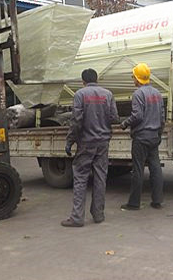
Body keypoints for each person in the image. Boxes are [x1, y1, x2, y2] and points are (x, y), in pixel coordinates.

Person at [62, 68, 119, 227]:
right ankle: (98, 214)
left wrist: (70, 141)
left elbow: (76, 121)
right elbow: (114, 118)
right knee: (100, 177)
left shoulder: (80, 94)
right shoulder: (108, 94)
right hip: (103, 142)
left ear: (83, 81)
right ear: (97, 79)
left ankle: (77, 218)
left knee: (80, 178)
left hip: (86, 143)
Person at [120, 63, 165, 210]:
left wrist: (125, 123)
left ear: (138, 78)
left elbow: (137, 116)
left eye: (133, 76)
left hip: (141, 137)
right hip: (154, 137)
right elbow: (162, 117)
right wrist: (159, 133)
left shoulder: (138, 94)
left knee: (138, 170)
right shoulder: (157, 93)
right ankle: (157, 201)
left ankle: (134, 203)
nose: (133, 79)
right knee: (155, 168)